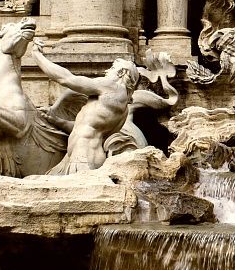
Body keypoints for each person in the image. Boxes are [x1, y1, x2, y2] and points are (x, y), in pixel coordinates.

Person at [30, 46, 178, 175]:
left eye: (112, 68)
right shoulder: (122, 107)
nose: (107, 71)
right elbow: (86, 127)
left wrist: (37, 56)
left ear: (121, 73)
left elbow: (67, 79)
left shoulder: (111, 87)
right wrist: (56, 120)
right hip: (80, 156)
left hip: (83, 158)